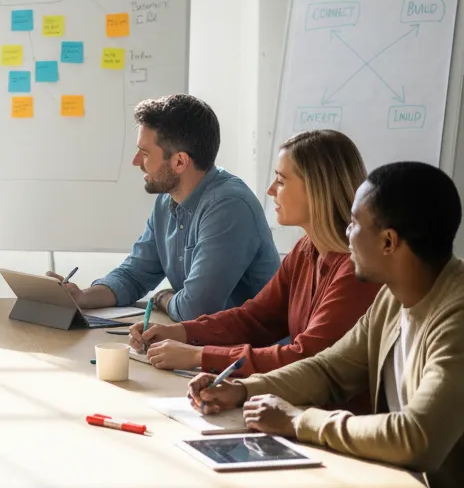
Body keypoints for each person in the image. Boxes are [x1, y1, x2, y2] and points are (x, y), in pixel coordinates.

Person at [191, 161, 464, 488]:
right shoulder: (393, 297)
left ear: (388, 241)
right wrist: (243, 390)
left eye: (354, 223)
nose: (346, 234)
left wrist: (297, 421)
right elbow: (330, 370)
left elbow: (416, 437)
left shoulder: (455, 317)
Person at [130, 129, 380, 376]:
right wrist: (180, 332)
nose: (271, 190)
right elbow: (255, 318)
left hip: (334, 413)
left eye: (281, 181)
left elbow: (306, 356)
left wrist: (199, 356)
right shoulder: (306, 250)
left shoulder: (356, 271)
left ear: (317, 189)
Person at [52, 95, 278, 321]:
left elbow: (196, 309)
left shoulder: (229, 207)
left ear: (179, 162)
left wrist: (162, 298)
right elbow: (134, 275)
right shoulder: (168, 200)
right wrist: (82, 296)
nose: (136, 161)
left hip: (250, 351)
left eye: (145, 153)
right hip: (203, 344)